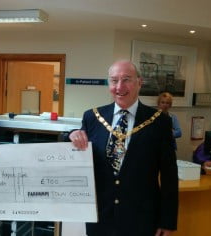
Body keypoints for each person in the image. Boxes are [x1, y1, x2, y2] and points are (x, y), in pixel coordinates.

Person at [69, 60, 178, 236]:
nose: (119, 86)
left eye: (126, 79)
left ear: (139, 83)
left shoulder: (160, 122)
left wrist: (168, 221)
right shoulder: (92, 117)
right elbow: (78, 151)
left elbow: (169, 176)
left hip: (141, 219)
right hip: (100, 218)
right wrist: (72, 133)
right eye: (114, 80)